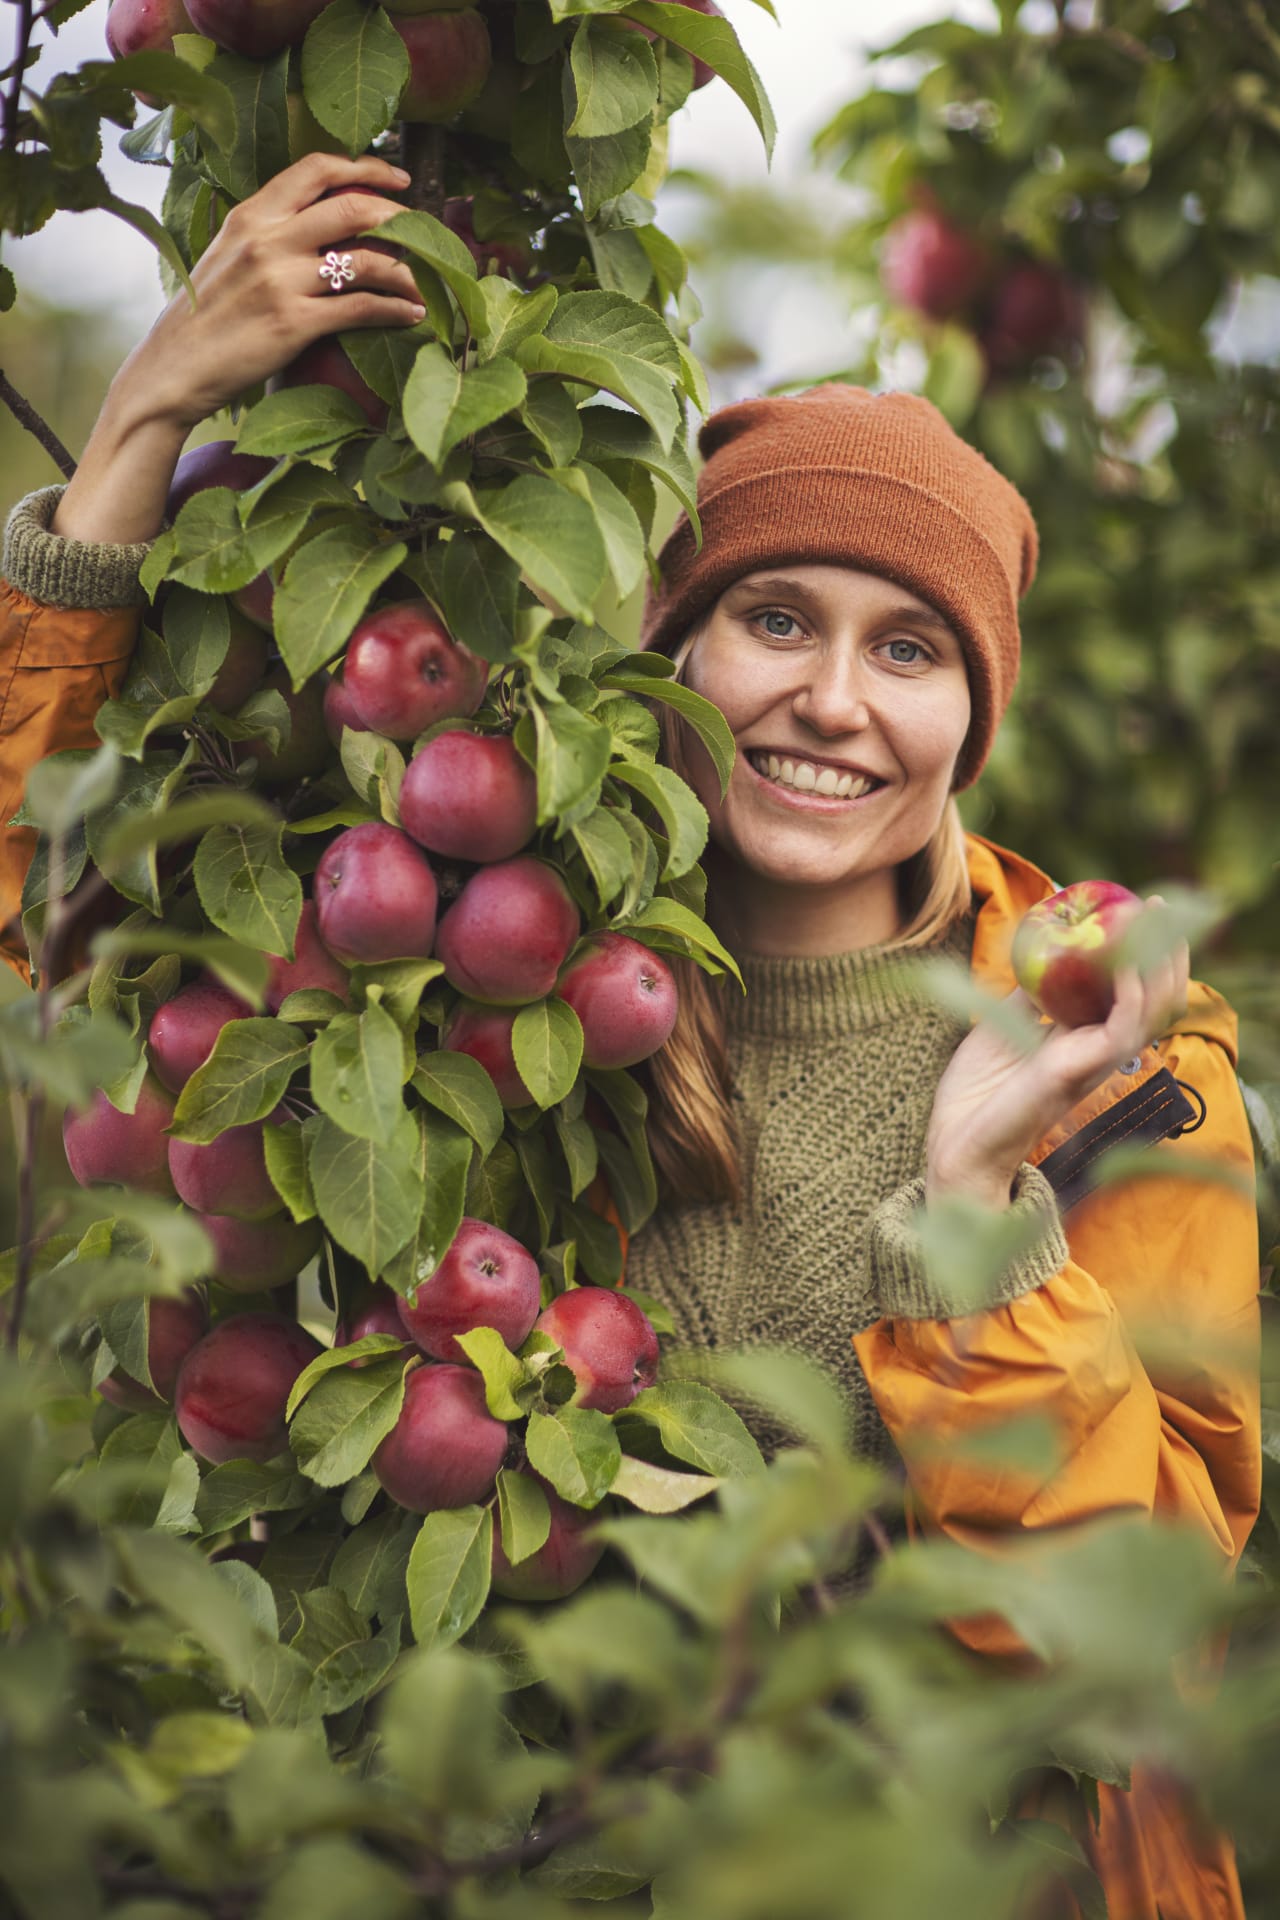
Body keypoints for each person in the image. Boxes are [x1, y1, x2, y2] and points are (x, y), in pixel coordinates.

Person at [0, 159, 1260, 1920]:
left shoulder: (1122, 1070)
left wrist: (980, 1223)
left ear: (976, 714)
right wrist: (143, 425)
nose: (834, 700)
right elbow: (62, 923)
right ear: (667, 648)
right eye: (772, 619)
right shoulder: (503, 994)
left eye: (910, 646)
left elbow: (1128, 1662)